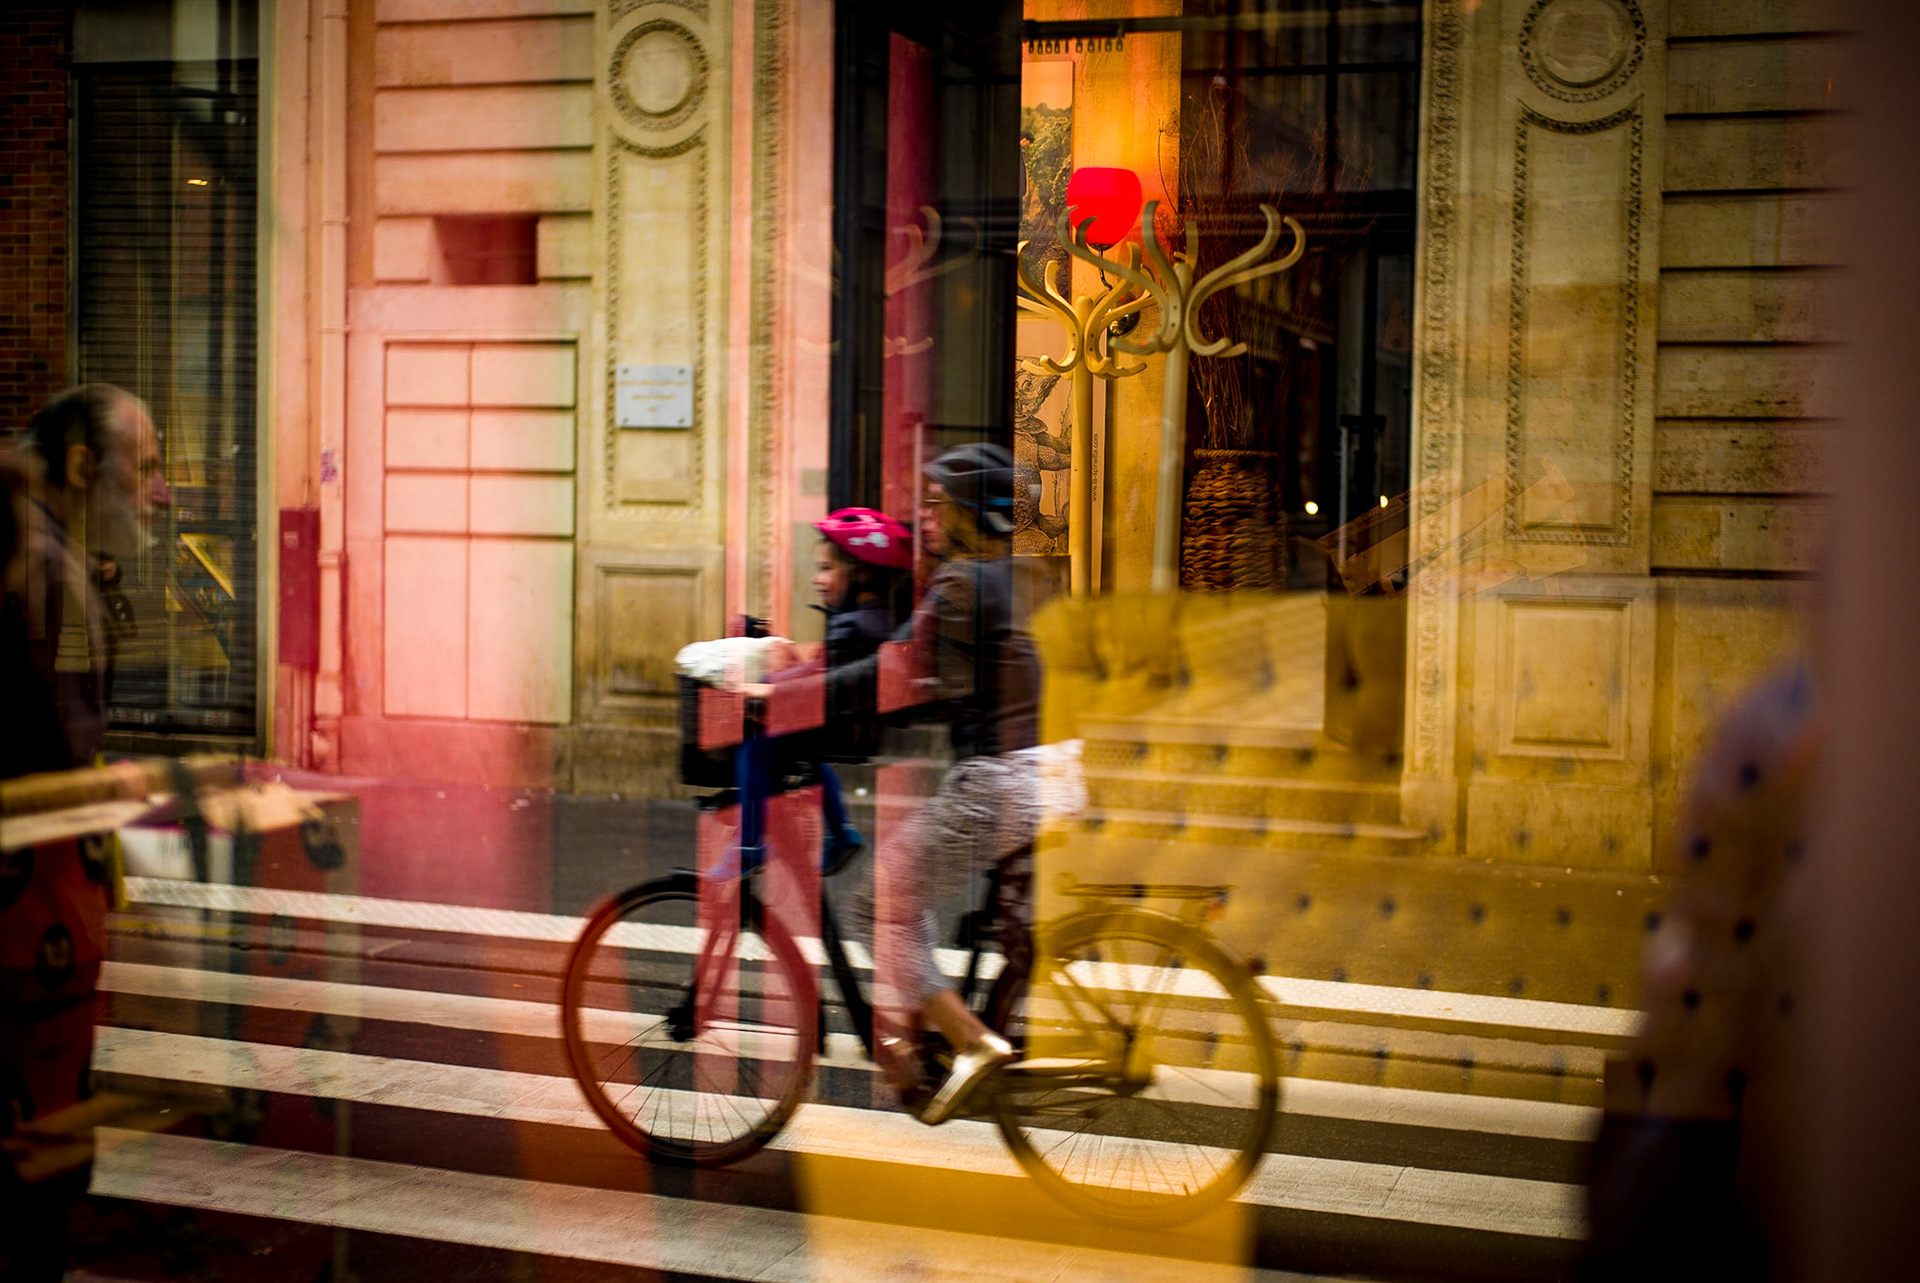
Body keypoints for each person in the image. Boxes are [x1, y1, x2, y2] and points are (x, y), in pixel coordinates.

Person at [835, 443, 1044, 1124]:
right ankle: (947, 1022)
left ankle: (971, 1039)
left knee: (877, 901)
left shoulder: (960, 583)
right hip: (1054, 773)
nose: (926, 516)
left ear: (973, 512)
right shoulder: (1025, 576)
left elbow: (887, 676)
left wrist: (771, 698)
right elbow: (942, 680)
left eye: (938, 503)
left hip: (998, 783)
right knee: (914, 882)